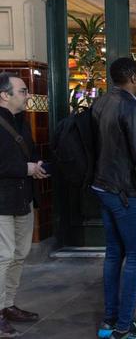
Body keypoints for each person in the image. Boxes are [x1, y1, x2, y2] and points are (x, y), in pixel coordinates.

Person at [92, 58, 136, 339]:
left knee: (114, 254)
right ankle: (124, 328)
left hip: (104, 187)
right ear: (133, 77)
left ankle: (110, 322)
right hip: (127, 193)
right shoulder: (132, 108)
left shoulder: (101, 102)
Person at [0, 72, 47, 337]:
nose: (27, 95)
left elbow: (30, 151)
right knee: (3, 257)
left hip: (24, 198)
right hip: (2, 201)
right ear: (4, 95)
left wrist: (37, 166)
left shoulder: (22, 121)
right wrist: (25, 168)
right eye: (22, 91)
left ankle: (8, 305)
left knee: (19, 254)